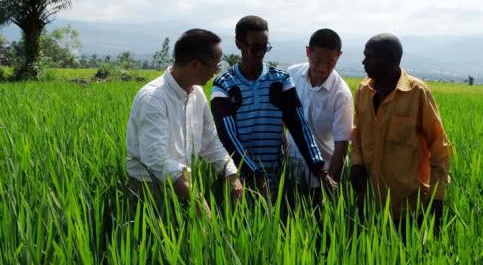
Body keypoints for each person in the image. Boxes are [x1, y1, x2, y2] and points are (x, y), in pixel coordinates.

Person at [210, 15, 336, 196]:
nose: (260, 53)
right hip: (237, 178)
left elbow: (299, 126)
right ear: (239, 44)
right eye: (254, 48)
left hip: (274, 178)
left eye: (265, 47)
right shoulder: (224, 85)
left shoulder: (280, 81)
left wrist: (319, 169)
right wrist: (253, 172)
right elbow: (227, 136)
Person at [125, 29, 242, 216]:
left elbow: (209, 140)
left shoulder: (197, 93)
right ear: (195, 65)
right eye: (215, 66)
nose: (216, 72)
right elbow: (156, 158)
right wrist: (195, 196)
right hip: (150, 190)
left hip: (182, 184)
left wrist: (230, 173)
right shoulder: (153, 98)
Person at [349, 33, 453, 227]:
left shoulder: (418, 92)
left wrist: (437, 197)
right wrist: (356, 162)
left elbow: (439, 146)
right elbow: (357, 132)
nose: (364, 62)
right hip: (368, 204)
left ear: (392, 60)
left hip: (408, 207)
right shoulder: (363, 91)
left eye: (370, 57)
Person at [286, 29, 353, 195]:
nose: (323, 68)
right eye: (317, 60)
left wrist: (331, 183)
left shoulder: (341, 94)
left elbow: (341, 145)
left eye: (331, 61)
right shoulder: (292, 75)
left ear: (339, 56)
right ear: (308, 52)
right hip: (289, 172)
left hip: (320, 178)